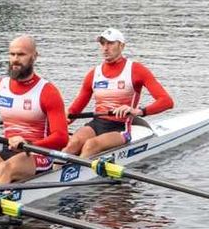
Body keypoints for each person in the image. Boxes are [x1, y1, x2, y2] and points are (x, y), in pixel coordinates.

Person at [0, 35, 69, 185]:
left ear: (34, 56)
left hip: (38, 154)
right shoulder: (1, 86)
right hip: (9, 149)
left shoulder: (47, 91)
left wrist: (28, 142)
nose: (15, 59)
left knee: (4, 168)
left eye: (21, 54)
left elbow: (61, 137)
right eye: (12, 54)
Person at [64, 28, 174, 158]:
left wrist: (138, 111)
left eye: (110, 43)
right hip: (97, 123)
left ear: (122, 46)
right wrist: (61, 120)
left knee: (90, 145)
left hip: (121, 126)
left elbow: (167, 101)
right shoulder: (94, 74)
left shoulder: (136, 70)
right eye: (103, 43)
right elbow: (75, 109)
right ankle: (53, 172)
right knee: (73, 144)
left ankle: (75, 174)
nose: (105, 48)